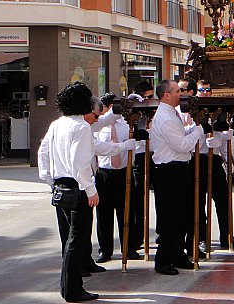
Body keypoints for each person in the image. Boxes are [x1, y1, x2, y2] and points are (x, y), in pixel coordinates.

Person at [37, 82, 100, 302]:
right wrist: (90, 189)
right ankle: (72, 289)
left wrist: (49, 180)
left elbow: (43, 152)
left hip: (60, 186)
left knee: (70, 240)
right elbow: (79, 163)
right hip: (77, 187)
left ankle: (70, 287)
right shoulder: (81, 126)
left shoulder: (57, 124)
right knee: (77, 239)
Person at [149, 80, 205, 275]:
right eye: (176, 91)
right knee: (169, 218)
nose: (180, 94)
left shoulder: (171, 114)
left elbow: (180, 136)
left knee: (181, 216)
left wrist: (192, 131)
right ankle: (163, 260)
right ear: (166, 94)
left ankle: (177, 254)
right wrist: (197, 132)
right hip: (169, 172)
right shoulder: (164, 117)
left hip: (178, 169)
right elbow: (181, 145)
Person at [192, 79, 234, 251]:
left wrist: (226, 156)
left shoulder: (216, 111)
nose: (206, 93)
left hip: (214, 160)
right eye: (202, 90)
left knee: (222, 200)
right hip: (198, 159)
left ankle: (227, 236)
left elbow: (220, 139)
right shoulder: (190, 111)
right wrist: (203, 142)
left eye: (208, 89)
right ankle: (201, 238)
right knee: (199, 202)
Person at [94, 93, 139, 263]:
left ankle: (129, 248)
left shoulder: (127, 123)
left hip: (123, 172)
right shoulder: (98, 126)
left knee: (126, 212)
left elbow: (135, 146)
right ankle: (105, 250)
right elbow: (97, 149)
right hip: (104, 172)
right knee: (104, 214)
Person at [128, 80, 154, 255]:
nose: (152, 100)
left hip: (154, 154)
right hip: (138, 156)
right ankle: (136, 239)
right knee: (138, 199)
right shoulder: (132, 108)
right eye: (149, 97)